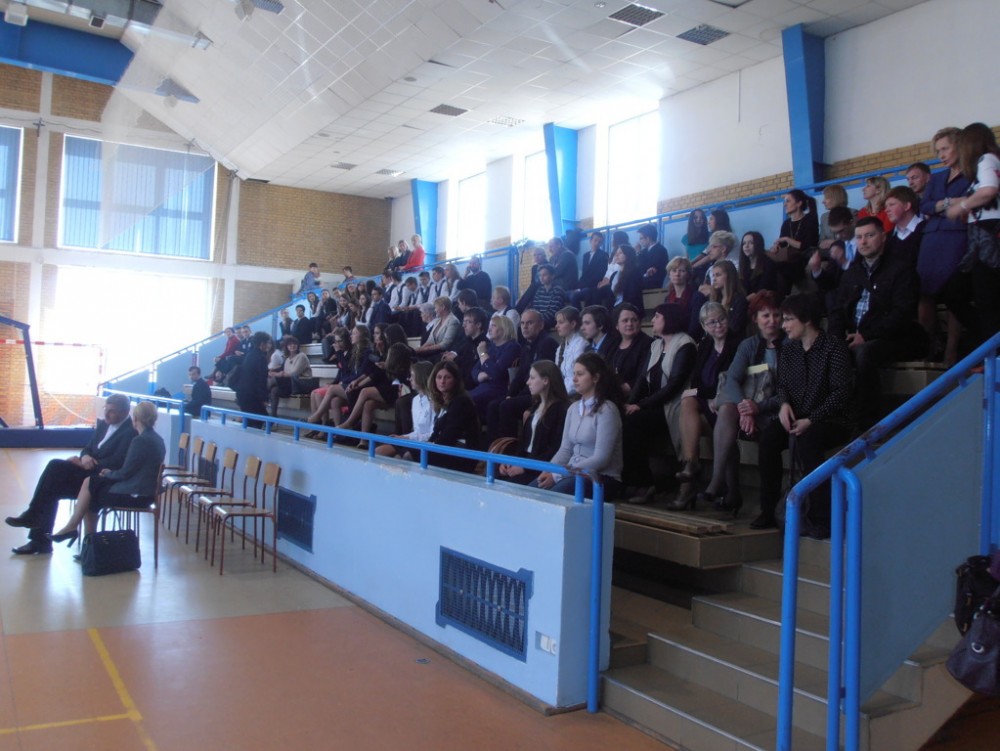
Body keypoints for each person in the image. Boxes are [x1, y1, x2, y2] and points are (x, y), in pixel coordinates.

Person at [755, 294, 854, 536]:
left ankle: (820, 517)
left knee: (808, 440)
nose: (783, 325)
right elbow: (783, 386)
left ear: (807, 320)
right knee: (768, 438)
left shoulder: (834, 348)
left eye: (789, 319)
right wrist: (783, 405)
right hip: (797, 415)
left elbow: (840, 393)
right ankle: (769, 510)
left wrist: (812, 419)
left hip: (830, 419)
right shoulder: (789, 350)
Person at [6, 394, 137, 555]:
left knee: (54, 470)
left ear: (125, 412)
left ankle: (35, 524)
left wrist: (84, 464)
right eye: (106, 409)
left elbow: (116, 463)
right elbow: (88, 448)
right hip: (88, 473)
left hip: (102, 480)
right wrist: (85, 457)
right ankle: (38, 537)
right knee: (52, 481)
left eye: (112, 411)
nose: (107, 414)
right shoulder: (103, 424)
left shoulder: (131, 432)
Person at [828, 216, 926, 427]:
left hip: (895, 339)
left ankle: (866, 423)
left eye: (869, 235)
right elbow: (836, 311)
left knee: (865, 353)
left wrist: (866, 335)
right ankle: (831, 421)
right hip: (856, 337)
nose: (863, 242)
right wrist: (835, 340)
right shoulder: (851, 273)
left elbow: (902, 314)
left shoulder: (902, 270)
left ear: (883, 237)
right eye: (859, 237)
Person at [703, 291, 784, 516]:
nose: (772, 320)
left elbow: (790, 391)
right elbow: (732, 380)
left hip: (777, 409)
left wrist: (756, 408)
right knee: (727, 410)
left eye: (776, 315)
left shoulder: (790, 345)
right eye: (766, 316)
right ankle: (721, 483)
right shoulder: (749, 345)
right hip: (749, 407)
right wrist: (745, 409)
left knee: (727, 417)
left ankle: (723, 488)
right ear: (755, 319)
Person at [49, 401, 166, 544]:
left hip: (136, 495)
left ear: (135, 418)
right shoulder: (158, 439)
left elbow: (125, 473)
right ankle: (79, 534)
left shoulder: (140, 441)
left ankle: (85, 539)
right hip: (147, 492)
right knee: (91, 484)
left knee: (92, 490)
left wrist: (108, 473)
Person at [669, 302, 741, 510]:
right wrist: (702, 394)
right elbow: (697, 378)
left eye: (721, 319)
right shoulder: (706, 344)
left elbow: (730, 380)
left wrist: (704, 394)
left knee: (691, 402)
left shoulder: (737, 343)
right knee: (687, 402)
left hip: (729, 404)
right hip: (708, 403)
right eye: (712, 322)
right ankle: (691, 462)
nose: (718, 325)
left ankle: (695, 477)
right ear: (703, 326)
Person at [622, 304, 696, 503]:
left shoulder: (685, 344)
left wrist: (641, 405)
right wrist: (630, 403)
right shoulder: (656, 345)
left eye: (656, 316)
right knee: (624, 417)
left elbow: (675, 384)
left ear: (669, 319)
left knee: (633, 423)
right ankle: (635, 481)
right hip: (654, 404)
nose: (652, 320)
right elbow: (641, 379)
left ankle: (645, 484)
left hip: (674, 405)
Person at [532, 352, 624, 500]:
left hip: (600, 477)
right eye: (574, 374)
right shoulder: (573, 408)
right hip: (571, 473)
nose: (574, 379)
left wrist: (557, 475)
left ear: (595, 378)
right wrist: (549, 470)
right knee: (531, 490)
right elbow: (565, 449)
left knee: (552, 497)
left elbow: (601, 458)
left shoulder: (608, 410)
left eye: (580, 374)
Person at [917, 126, 972, 364]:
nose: (941, 155)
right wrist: (949, 203)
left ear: (959, 146)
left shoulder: (973, 174)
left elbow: (969, 202)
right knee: (924, 293)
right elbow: (925, 206)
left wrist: (940, 205)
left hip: (957, 236)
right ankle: (930, 343)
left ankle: (951, 349)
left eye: (945, 148)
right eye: (938, 151)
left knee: (952, 293)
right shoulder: (937, 177)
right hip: (931, 239)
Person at [944, 122, 1000, 348]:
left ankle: (991, 349)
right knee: (955, 293)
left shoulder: (986, 159)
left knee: (986, 299)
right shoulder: (986, 164)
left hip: (989, 240)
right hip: (979, 241)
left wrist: (962, 207)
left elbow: (989, 191)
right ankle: (986, 341)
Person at [498, 360, 570, 486]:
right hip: (526, 462)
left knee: (508, 485)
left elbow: (555, 450)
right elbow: (524, 444)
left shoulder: (560, 410)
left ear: (545, 380)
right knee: (494, 475)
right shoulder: (535, 407)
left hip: (539, 469)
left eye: (532, 378)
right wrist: (511, 461)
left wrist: (525, 468)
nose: (528, 382)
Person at [339, 342, 413, 446]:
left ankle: (349, 422)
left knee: (365, 392)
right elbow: (374, 376)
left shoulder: (405, 369)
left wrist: (386, 367)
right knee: (368, 404)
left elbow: (401, 382)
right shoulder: (387, 367)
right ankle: (363, 440)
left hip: (396, 392)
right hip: (389, 392)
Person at [426, 359, 480, 473]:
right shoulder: (441, 403)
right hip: (446, 448)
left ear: (455, 380)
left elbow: (449, 435)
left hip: (461, 454)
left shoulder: (461, 402)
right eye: (439, 377)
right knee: (405, 451)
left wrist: (428, 448)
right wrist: (427, 445)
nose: (442, 381)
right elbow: (436, 434)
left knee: (409, 454)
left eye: (447, 377)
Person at [376, 361, 435, 460]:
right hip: (412, 440)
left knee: (398, 459)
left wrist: (405, 438)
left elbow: (431, 435)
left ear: (421, 377)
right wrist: (403, 437)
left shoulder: (434, 402)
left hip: (423, 444)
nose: (409, 379)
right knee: (377, 452)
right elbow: (417, 431)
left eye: (412, 376)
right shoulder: (415, 400)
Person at [769, 189, 819, 297]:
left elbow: (809, 244)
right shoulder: (786, 224)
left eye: (788, 201)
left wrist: (788, 239)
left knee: (782, 267)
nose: (785, 205)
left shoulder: (809, 220)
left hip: (803, 258)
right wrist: (776, 247)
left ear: (799, 203)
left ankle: (783, 297)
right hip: (789, 259)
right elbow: (781, 245)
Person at [468, 315, 519, 420]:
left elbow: (496, 373)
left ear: (504, 328)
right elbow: (474, 370)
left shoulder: (512, 347)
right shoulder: (491, 347)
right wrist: (482, 375)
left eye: (494, 326)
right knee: (459, 399)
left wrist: (482, 354)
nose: (489, 329)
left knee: (466, 401)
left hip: (499, 389)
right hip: (484, 387)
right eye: (490, 325)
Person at [608, 303, 652, 396]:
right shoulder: (612, 344)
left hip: (635, 396)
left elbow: (641, 378)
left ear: (639, 323)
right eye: (625, 320)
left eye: (634, 320)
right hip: (613, 393)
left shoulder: (648, 344)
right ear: (617, 325)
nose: (630, 324)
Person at [235, 331, 273, 428]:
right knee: (258, 423)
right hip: (253, 395)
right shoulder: (261, 357)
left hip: (243, 392)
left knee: (249, 423)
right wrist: (264, 398)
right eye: (267, 343)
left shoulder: (250, 354)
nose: (269, 345)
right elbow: (261, 380)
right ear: (262, 344)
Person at [663, 256, 706, 339]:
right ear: (669, 275)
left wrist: (680, 342)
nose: (677, 274)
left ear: (688, 275)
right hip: (672, 340)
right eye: (674, 270)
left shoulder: (697, 297)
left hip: (690, 340)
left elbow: (695, 328)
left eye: (682, 271)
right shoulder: (667, 299)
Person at [268, 336, 312, 416]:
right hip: (290, 384)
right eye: (290, 344)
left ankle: (262, 396)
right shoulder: (288, 359)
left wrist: (277, 374)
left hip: (301, 384)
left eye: (294, 344)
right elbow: (285, 373)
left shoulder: (301, 356)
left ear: (297, 345)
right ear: (287, 347)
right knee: (274, 390)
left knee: (274, 379)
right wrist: (275, 373)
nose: (292, 346)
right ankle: (273, 417)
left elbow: (294, 373)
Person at [883, 185, 925, 269]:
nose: (886, 210)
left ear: (906, 206)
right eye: (886, 206)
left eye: (891, 205)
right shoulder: (887, 238)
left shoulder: (927, 230)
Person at [703, 260, 748, 336]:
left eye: (718, 275)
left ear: (729, 276)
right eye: (713, 276)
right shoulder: (715, 298)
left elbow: (735, 327)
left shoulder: (739, 300)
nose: (714, 279)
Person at [413, 296, 461, 360]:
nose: (435, 310)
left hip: (444, 353)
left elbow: (445, 344)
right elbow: (430, 340)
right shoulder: (438, 320)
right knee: (414, 354)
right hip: (434, 351)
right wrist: (421, 349)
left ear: (443, 307)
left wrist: (425, 349)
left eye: (436, 308)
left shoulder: (453, 321)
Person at [553, 306, 588, 394]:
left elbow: (576, 377)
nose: (556, 326)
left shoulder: (581, 345)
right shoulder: (560, 348)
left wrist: (561, 395)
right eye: (557, 322)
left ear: (573, 324)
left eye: (561, 322)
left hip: (575, 394)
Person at [738, 231, 778, 302]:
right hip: (746, 301)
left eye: (751, 243)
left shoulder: (768, 264)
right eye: (744, 243)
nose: (746, 246)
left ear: (758, 244)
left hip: (762, 301)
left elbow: (762, 290)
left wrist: (743, 302)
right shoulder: (744, 264)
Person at [636, 224, 669, 289]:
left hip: (653, 286)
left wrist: (639, 253)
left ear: (648, 238)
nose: (640, 241)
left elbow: (650, 268)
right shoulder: (644, 251)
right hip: (642, 284)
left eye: (641, 238)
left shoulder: (660, 250)